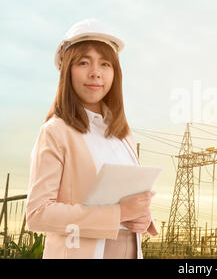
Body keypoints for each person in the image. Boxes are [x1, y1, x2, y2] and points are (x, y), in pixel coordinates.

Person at [26, 18, 158, 259]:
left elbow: (128, 202)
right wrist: (117, 214)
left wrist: (143, 217)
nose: (95, 73)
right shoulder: (56, 132)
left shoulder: (123, 134)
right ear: (67, 71)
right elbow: (38, 214)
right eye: (84, 62)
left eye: (105, 64)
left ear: (115, 73)